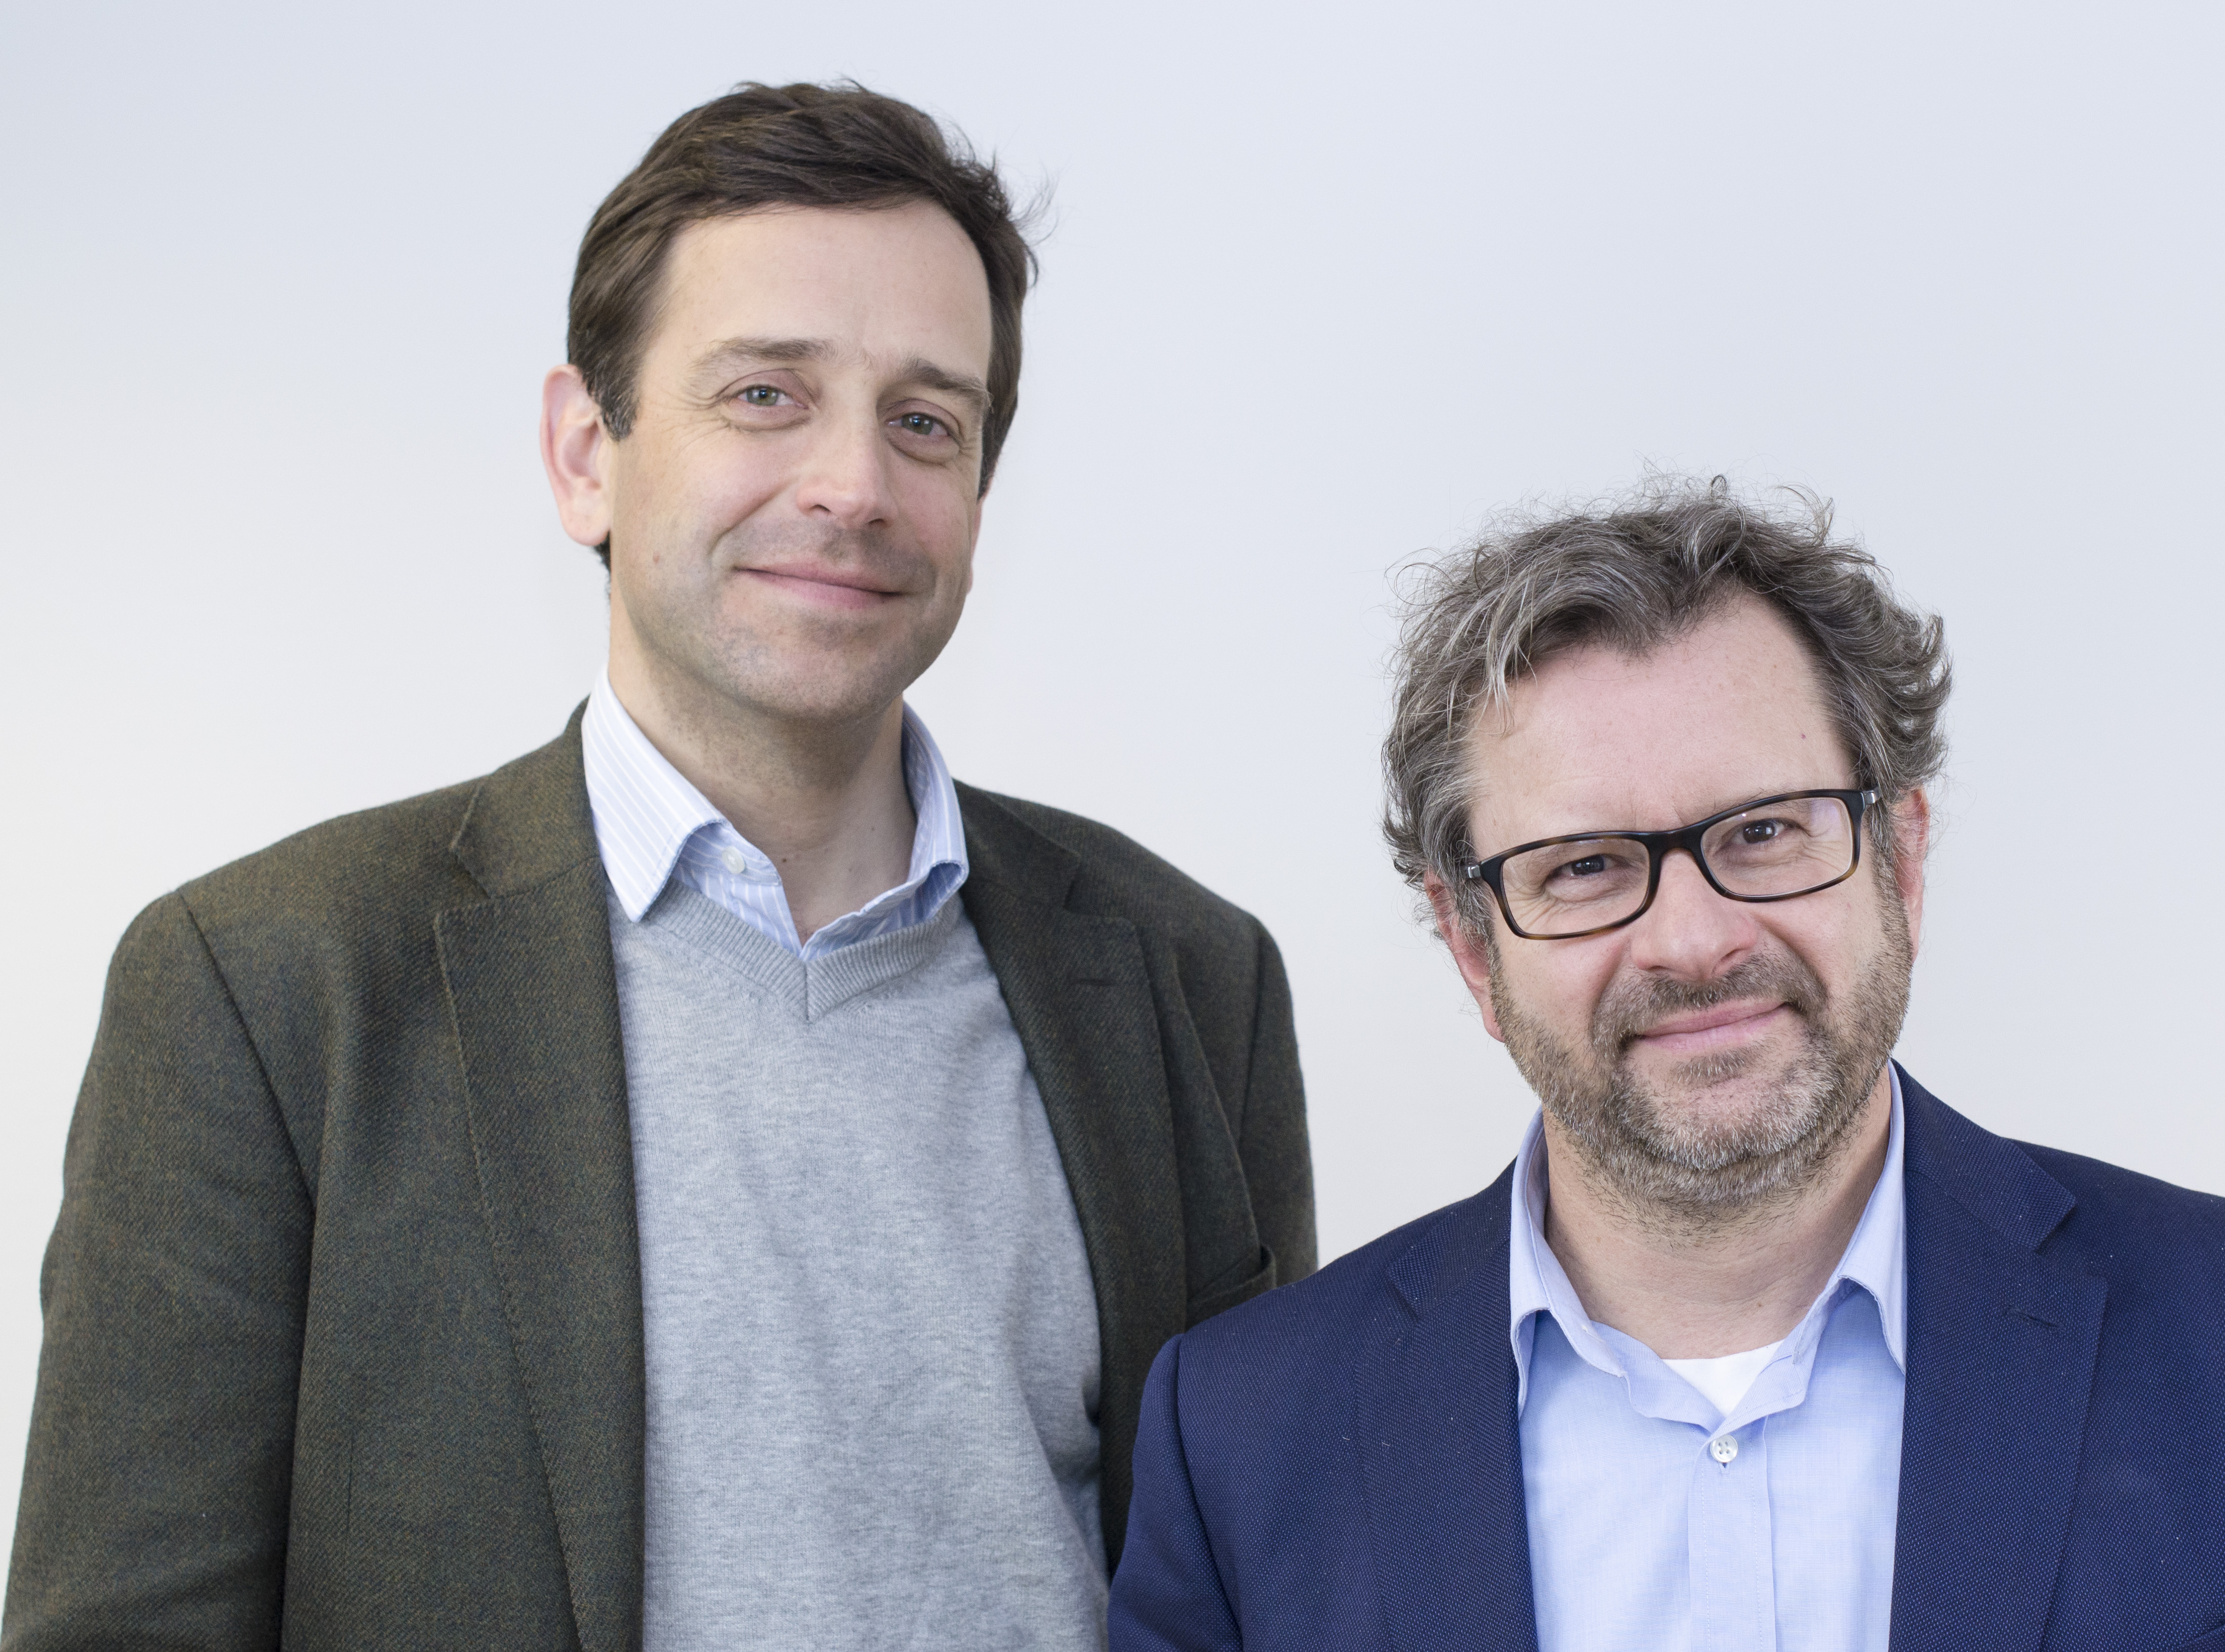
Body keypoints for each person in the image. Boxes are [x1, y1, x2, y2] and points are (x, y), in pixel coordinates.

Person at [6, 82, 1313, 1651]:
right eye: (765, 394)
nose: (853, 486)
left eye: (926, 420)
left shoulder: (1191, 978)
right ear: (585, 454)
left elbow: (1270, 1583)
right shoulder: (269, 987)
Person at [1106, 480, 2225, 1651]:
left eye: (1765, 831)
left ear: (1901, 861)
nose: (1694, 939)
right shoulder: (1239, 1438)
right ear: (1475, 948)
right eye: (1585, 867)